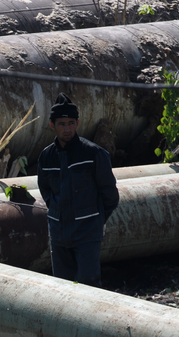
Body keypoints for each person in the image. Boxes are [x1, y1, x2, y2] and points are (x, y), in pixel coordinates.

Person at [37, 93, 119, 288]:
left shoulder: (93, 154)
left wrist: (95, 221)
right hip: (58, 233)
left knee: (89, 283)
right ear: (52, 125)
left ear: (78, 123)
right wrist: (58, 212)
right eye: (62, 124)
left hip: (87, 233)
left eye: (71, 123)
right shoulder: (46, 157)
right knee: (62, 287)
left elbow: (110, 195)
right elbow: (46, 191)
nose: (67, 129)